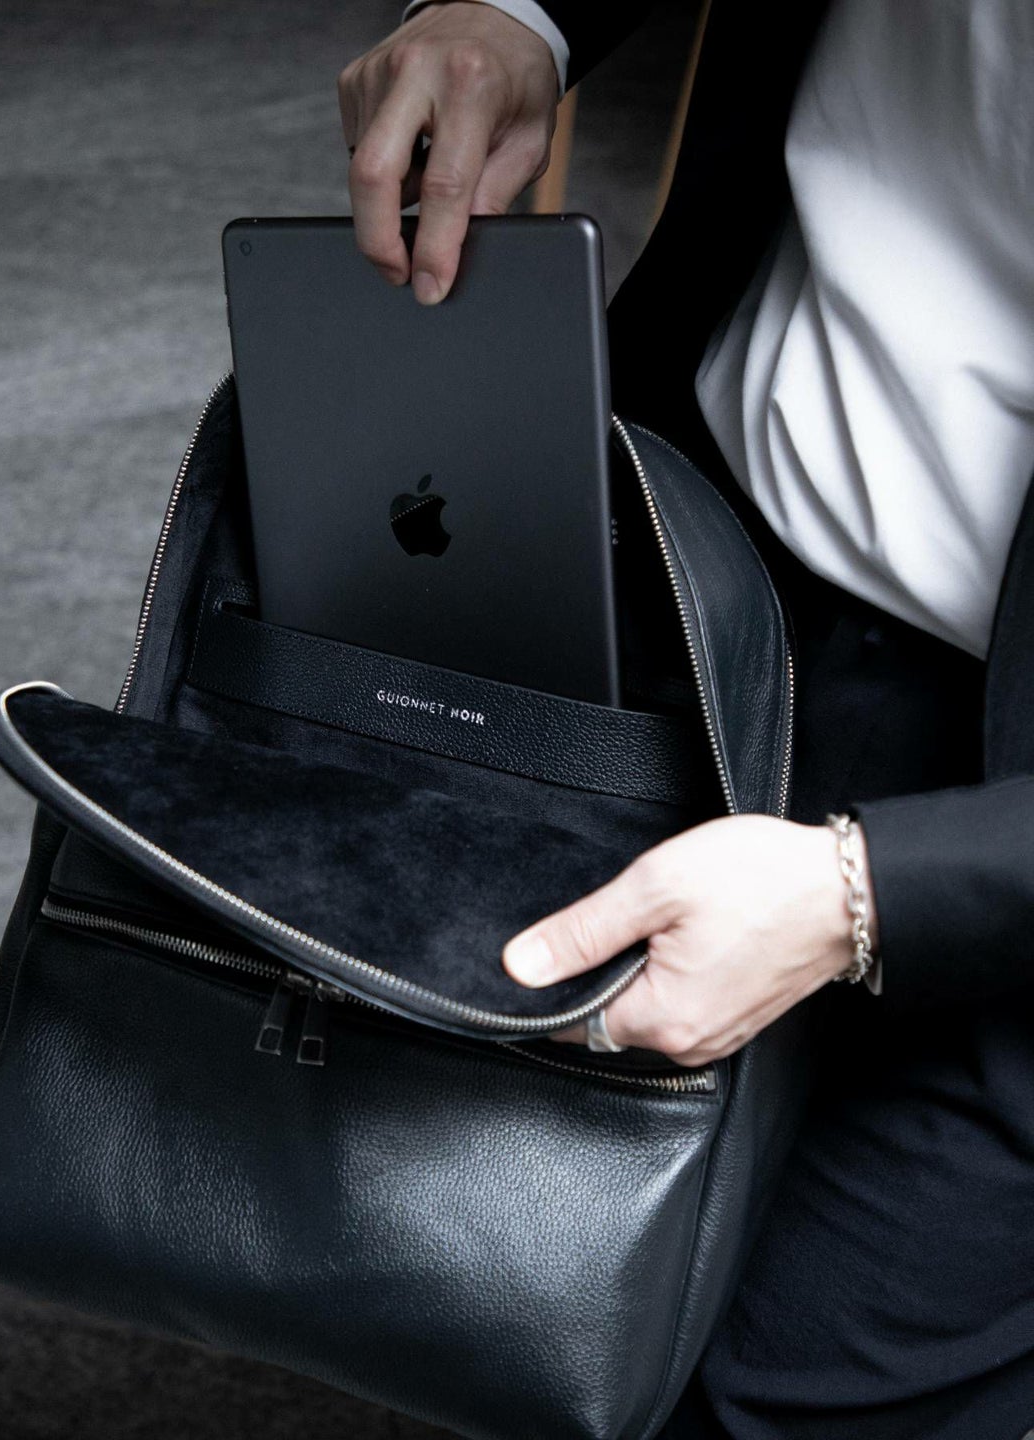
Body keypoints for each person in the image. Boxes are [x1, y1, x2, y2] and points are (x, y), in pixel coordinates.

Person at [336, 2, 1034, 1437]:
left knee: (781, 1387)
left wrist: (869, 894)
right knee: (526, 1262)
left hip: (1003, 816)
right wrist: (522, 14)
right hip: (722, 558)